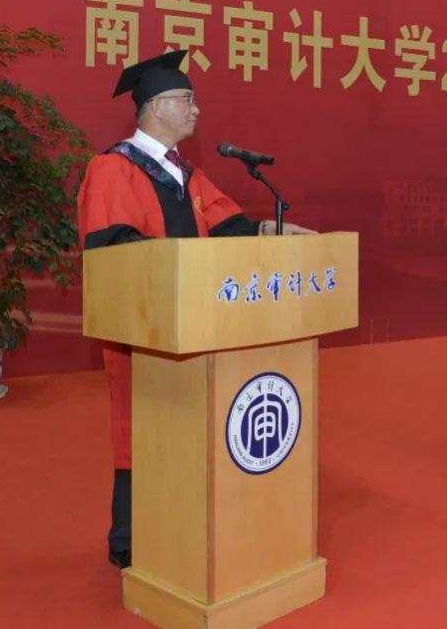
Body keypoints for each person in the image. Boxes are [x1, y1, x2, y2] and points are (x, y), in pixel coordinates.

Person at [77, 50, 314, 569]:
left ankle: (185, 530)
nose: (196, 109)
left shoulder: (186, 174)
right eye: (186, 99)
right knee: (143, 428)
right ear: (155, 107)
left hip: (198, 329)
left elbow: (229, 227)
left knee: (192, 426)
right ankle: (132, 540)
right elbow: (112, 250)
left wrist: (271, 230)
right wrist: (173, 273)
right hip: (143, 334)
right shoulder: (112, 169)